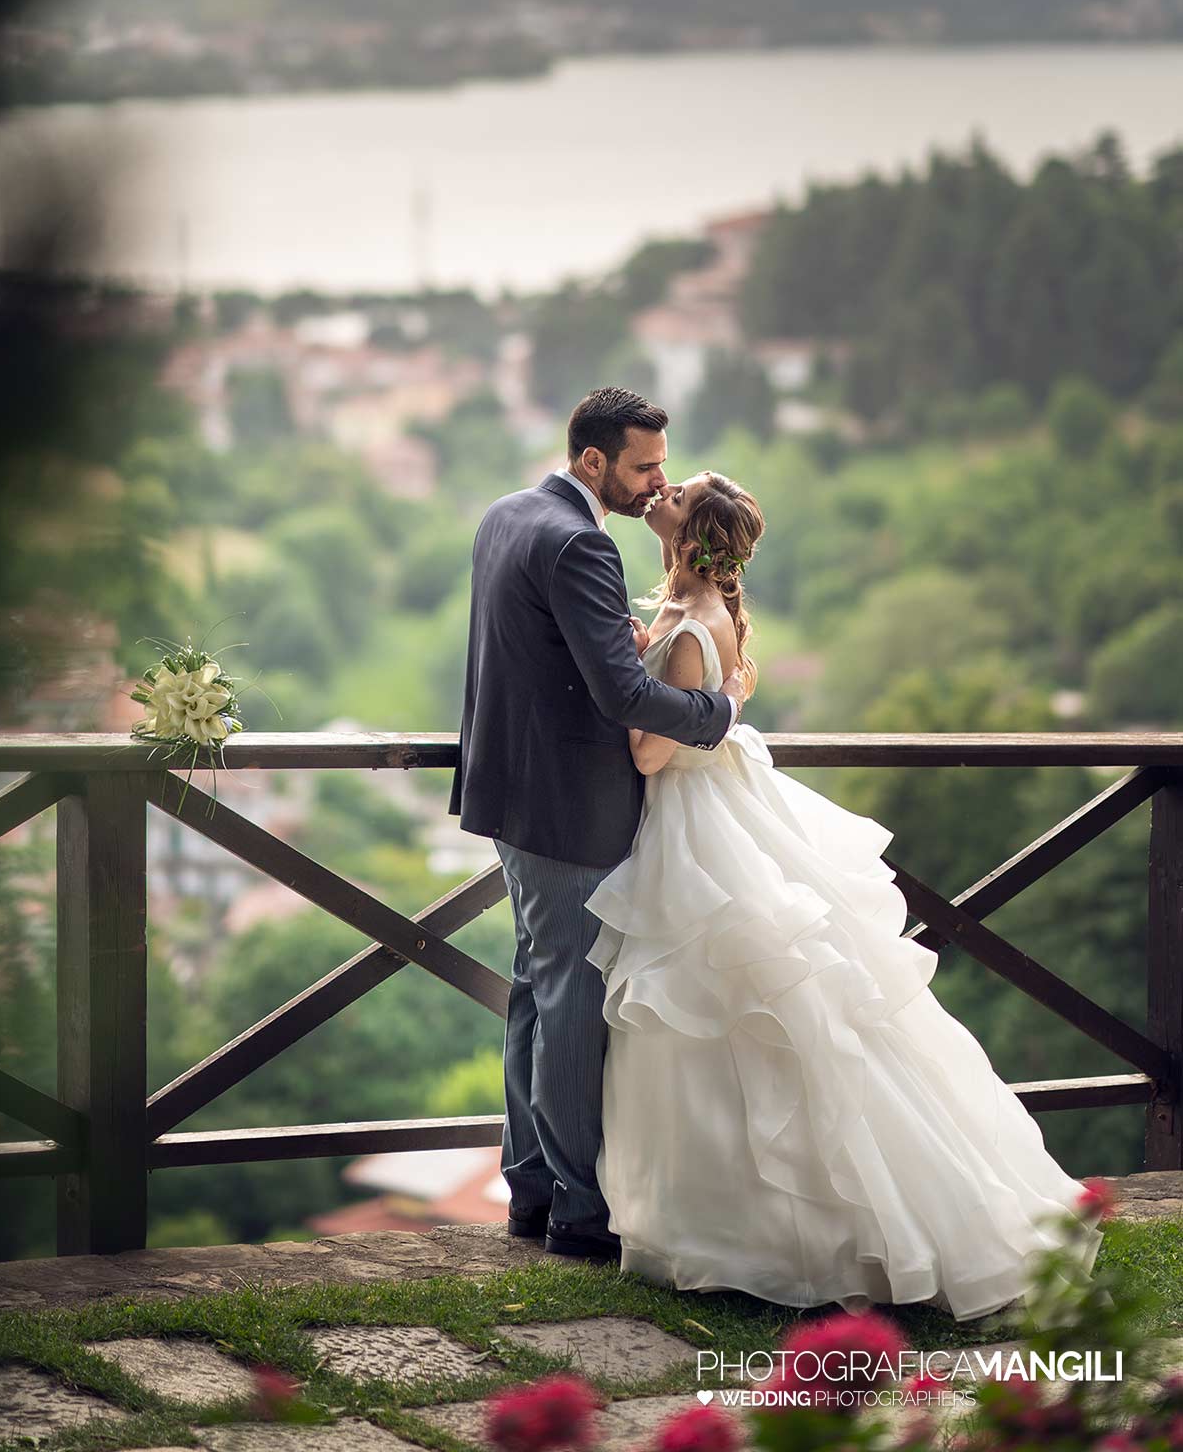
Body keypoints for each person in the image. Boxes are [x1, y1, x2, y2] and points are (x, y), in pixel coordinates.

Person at [584, 467, 1104, 1316]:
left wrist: (626, 703)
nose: (661, 491)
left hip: (698, 826)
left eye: (675, 493)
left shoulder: (686, 626)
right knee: (750, 1015)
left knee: (719, 1010)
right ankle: (748, 1227)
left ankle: (758, 1236)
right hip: (722, 810)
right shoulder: (695, 613)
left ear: (690, 534)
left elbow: (649, 753)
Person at [449, 387, 748, 1262]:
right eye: (645, 465)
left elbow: (548, 652)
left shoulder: (508, 514)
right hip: (571, 809)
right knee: (572, 1004)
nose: (658, 481)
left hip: (511, 794)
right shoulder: (580, 540)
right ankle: (578, 1212)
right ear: (593, 462)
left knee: (534, 996)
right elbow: (623, 694)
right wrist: (722, 710)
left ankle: (531, 1189)